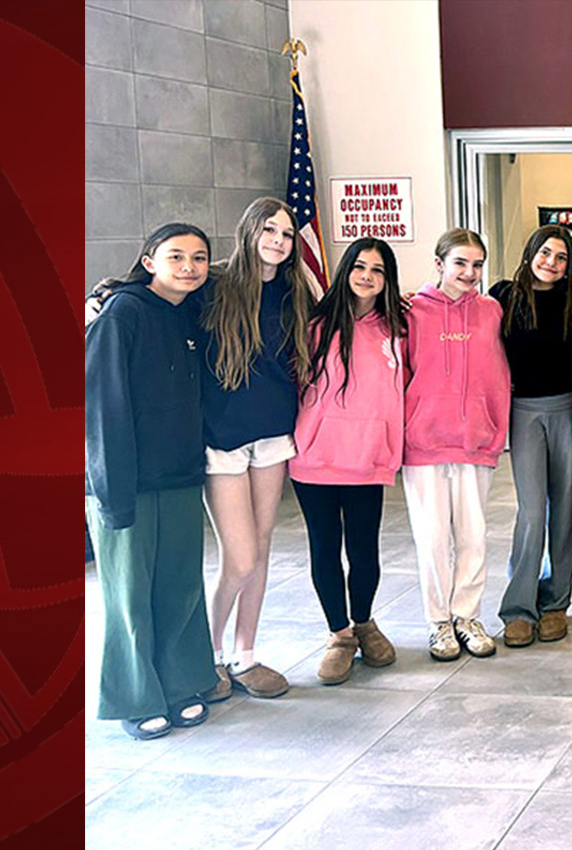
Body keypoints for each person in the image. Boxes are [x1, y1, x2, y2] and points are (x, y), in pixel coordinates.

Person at [87, 223, 218, 740]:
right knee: (129, 593)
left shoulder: (191, 311)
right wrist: (110, 489)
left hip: (180, 475)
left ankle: (183, 683)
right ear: (148, 262)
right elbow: (102, 407)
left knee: (180, 586)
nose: (189, 267)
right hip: (128, 480)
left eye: (199, 258)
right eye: (176, 256)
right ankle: (135, 696)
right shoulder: (122, 314)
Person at [197, 197, 322, 701]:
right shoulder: (214, 285)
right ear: (249, 231)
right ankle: (206, 656)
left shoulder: (295, 292)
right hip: (222, 440)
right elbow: (158, 289)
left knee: (262, 547)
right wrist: (106, 294)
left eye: (287, 234)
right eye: (269, 230)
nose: (278, 240)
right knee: (241, 557)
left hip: (273, 435)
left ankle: (244, 654)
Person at [291, 238, 407, 685]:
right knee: (325, 547)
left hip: (368, 459)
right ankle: (339, 635)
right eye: (359, 267)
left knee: (363, 550)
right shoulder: (314, 326)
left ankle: (364, 622)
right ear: (345, 271)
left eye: (378, 270)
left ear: (387, 279)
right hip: (315, 458)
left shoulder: (398, 329)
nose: (367, 276)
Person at [404, 228, 512, 661]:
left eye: (477, 264)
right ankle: (438, 622)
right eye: (460, 263)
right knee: (432, 539)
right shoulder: (412, 312)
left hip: (475, 441)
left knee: (473, 536)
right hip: (424, 443)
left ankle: (467, 616)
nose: (469, 272)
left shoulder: (491, 311)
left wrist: (495, 428)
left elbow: (499, 374)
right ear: (439, 264)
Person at [490, 225, 572, 648]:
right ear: (530, 252)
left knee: (564, 509)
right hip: (523, 412)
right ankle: (518, 607)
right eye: (545, 253)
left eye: (561, 257)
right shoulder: (503, 296)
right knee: (531, 512)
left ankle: (556, 603)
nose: (552, 262)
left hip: (568, 410)